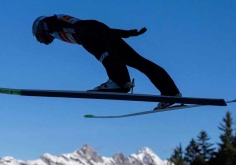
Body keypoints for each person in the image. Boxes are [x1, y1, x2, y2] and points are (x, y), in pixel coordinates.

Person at [32, 14, 182, 109]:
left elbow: (77, 26)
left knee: (105, 55)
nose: (41, 41)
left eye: (38, 37)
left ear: (39, 29)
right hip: (98, 29)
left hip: (88, 33)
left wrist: (84, 34)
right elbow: (99, 28)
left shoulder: (48, 24)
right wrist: (126, 33)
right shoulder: (57, 25)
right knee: (139, 62)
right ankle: (170, 92)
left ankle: (118, 82)